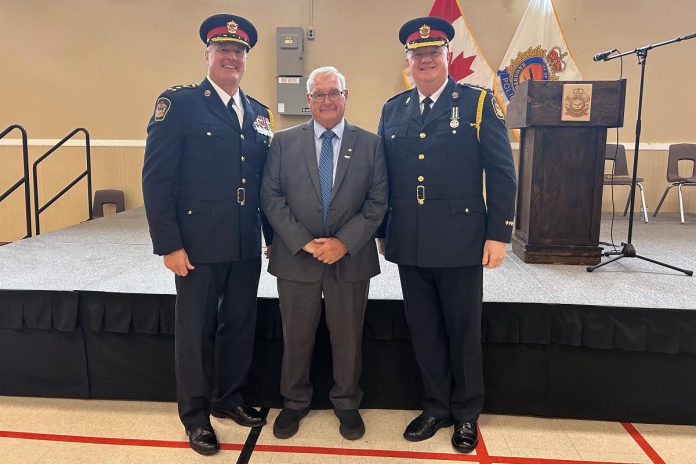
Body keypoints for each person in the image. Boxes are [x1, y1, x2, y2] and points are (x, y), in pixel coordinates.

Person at [376, 17, 517, 453]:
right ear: (408, 61)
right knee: (424, 329)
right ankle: (436, 406)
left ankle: (466, 413)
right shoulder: (393, 108)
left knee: (462, 329)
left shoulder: (477, 104)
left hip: (460, 239)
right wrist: (384, 231)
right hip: (411, 240)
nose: (425, 60)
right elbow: (383, 177)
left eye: (433, 53)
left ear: (448, 57)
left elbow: (501, 173)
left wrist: (499, 234)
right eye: (417, 55)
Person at [142, 14, 273, 456]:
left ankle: (228, 397)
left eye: (239, 52)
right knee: (195, 329)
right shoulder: (179, 104)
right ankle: (195, 416)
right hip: (195, 243)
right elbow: (157, 179)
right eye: (223, 50)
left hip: (243, 240)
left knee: (239, 323)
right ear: (208, 55)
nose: (232, 57)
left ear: (245, 60)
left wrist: (270, 237)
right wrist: (169, 244)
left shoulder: (259, 113)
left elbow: (265, 183)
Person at [261, 66, 388, 440]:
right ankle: (294, 401)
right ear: (308, 101)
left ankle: (347, 402)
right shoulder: (282, 142)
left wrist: (343, 243)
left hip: (349, 259)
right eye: (319, 94)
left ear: (347, 97)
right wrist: (302, 241)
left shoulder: (371, 144)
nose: (327, 100)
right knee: (295, 335)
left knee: (347, 336)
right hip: (296, 256)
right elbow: (270, 196)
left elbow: (378, 202)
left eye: (334, 92)